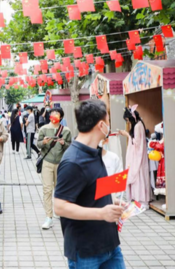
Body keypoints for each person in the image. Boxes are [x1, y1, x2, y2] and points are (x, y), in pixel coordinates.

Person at [54, 100, 125, 269]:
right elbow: (59, 206)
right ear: (101, 125)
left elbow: (91, 190)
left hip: (110, 245)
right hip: (86, 252)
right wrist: (101, 213)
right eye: (108, 121)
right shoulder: (73, 161)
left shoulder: (95, 152)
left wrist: (111, 201)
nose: (110, 125)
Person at [37, 107, 72, 230]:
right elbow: (38, 144)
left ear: (61, 117)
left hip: (61, 164)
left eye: (56, 114)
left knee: (60, 189)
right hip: (47, 162)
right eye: (52, 113)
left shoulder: (66, 130)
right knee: (47, 189)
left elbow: (69, 148)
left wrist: (64, 144)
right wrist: (44, 142)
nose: (54, 115)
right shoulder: (44, 129)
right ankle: (48, 217)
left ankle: (60, 212)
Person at [119, 106, 150, 206]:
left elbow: (136, 142)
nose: (128, 122)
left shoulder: (137, 126)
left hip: (137, 155)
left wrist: (127, 135)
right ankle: (140, 198)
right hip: (139, 154)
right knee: (139, 174)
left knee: (137, 174)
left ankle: (139, 199)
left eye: (127, 120)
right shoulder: (140, 124)